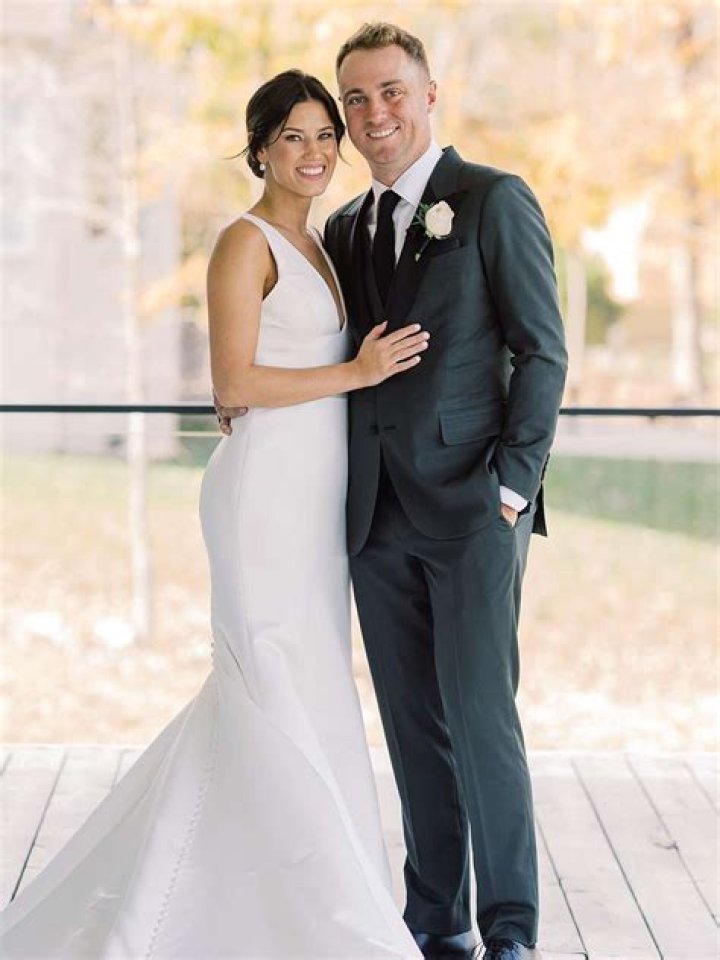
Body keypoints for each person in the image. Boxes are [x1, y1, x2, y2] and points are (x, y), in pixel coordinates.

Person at [0, 70, 427, 959]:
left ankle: (296, 902)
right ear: (259, 149)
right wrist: (357, 373)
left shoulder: (322, 243)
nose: (314, 153)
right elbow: (232, 381)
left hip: (316, 501)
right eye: (293, 137)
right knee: (269, 680)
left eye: (325, 136)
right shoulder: (244, 242)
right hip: (262, 497)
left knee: (310, 685)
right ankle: (296, 913)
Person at [323, 22, 568, 960]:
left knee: (481, 722)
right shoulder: (345, 228)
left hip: (474, 509)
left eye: (391, 91)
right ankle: (436, 917)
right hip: (375, 516)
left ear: (429, 96)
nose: (374, 112)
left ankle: (511, 928)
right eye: (355, 98)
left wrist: (513, 485)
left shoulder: (493, 199)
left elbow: (542, 350)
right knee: (412, 730)